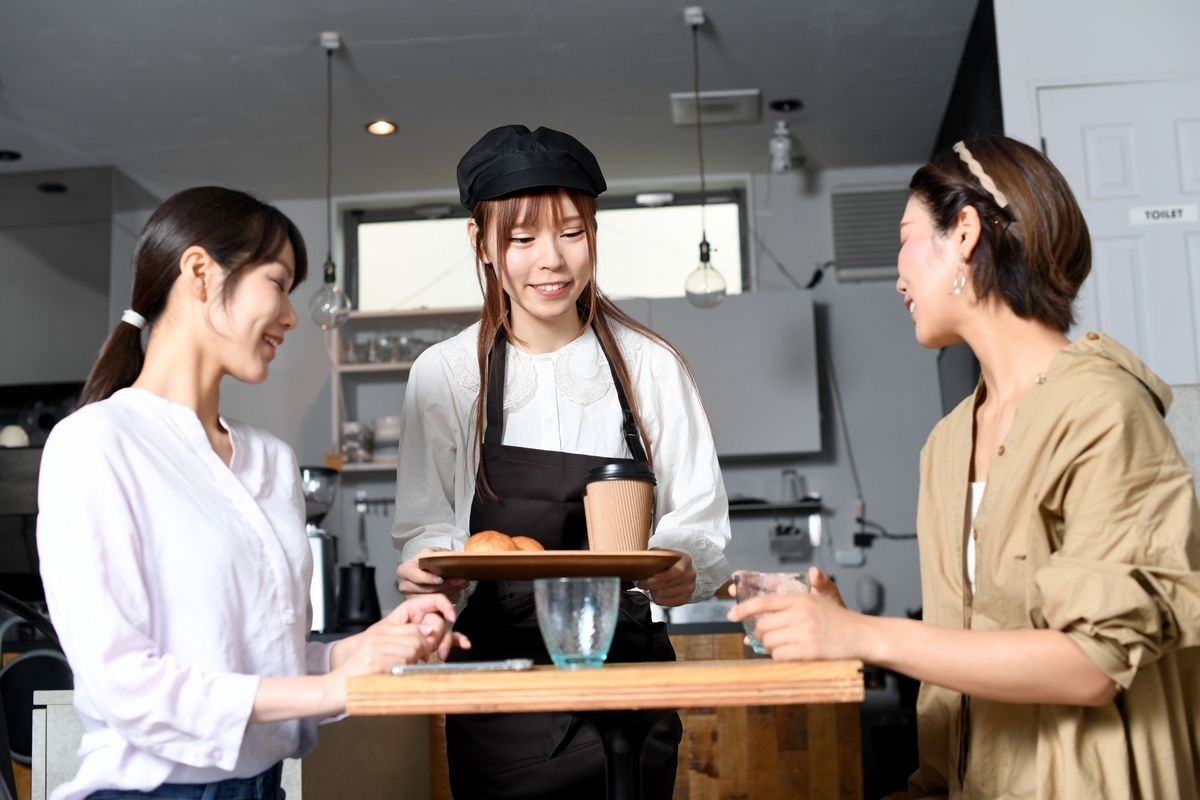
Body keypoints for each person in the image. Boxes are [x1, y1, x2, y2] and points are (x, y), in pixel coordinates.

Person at [729, 136, 1200, 799]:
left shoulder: (1104, 411)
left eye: (905, 238)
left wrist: (863, 634)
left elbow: (1092, 666)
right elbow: (966, 648)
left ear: (966, 233)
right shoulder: (948, 443)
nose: (897, 274)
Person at [36, 187, 466, 800]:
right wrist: (334, 689)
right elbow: (122, 684)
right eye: (278, 282)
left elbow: (269, 674)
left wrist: (369, 649)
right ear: (200, 272)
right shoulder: (97, 444)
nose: (291, 315)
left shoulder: (271, 458)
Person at [391, 125, 732, 800]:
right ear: (480, 244)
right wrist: (435, 572)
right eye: (521, 239)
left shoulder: (650, 367)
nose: (551, 260)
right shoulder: (446, 375)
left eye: (572, 233)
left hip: (630, 678)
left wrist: (682, 566)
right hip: (500, 687)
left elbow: (700, 522)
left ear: (596, 234)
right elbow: (426, 527)